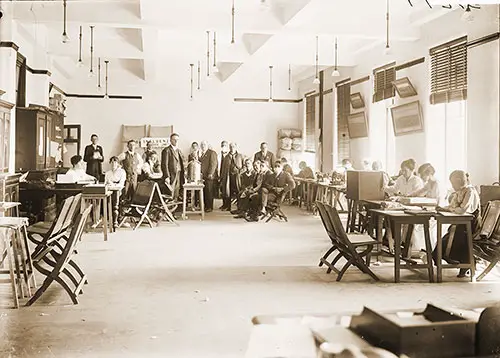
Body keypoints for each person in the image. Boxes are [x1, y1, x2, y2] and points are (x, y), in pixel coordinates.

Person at [433, 170, 482, 278]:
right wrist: (443, 208)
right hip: (461, 223)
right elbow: (453, 206)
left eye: (453, 183)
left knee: (454, 240)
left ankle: (464, 263)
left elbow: (462, 210)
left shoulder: (470, 191)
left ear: (459, 181)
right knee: (446, 239)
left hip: (470, 225)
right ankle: (447, 259)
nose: (452, 186)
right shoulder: (459, 192)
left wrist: (452, 209)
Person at [161, 133, 185, 200]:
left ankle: (174, 206)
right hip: (171, 175)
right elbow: (164, 165)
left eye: (177, 140)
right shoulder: (166, 150)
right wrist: (167, 176)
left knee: (177, 191)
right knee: (170, 192)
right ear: (170, 140)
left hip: (179, 173)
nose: (176, 141)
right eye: (174, 140)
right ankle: (169, 208)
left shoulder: (179, 151)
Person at [220, 142, 243, 211]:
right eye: (230, 146)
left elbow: (244, 166)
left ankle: (240, 207)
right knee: (227, 191)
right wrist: (221, 177)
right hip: (228, 177)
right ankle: (227, 206)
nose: (232, 148)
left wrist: (239, 171)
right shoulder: (226, 157)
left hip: (237, 177)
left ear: (236, 147)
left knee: (238, 191)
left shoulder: (240, 156)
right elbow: (223, 167)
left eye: (233, 146)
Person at [200, 141, 218, 212]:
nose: (203, 146)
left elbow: (213, 164)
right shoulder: (202, 154)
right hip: (203, 176)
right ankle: (206, 206)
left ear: (207, 145)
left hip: (209, 176)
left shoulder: (212, 153)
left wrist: (210, 173)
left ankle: (210, 207)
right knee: (205, 192)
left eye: (204, 144)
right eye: (201, 145)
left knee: (209, 192)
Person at [217, 140, 229, 206]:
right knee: (222, 189)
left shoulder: (229, 155)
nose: (223, 147)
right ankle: (224, 204)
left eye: (225, 145)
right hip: (220, 174)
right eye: (222, 145)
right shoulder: (218, 155)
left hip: (227, 175)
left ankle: (227, 205)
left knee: (227, 190)